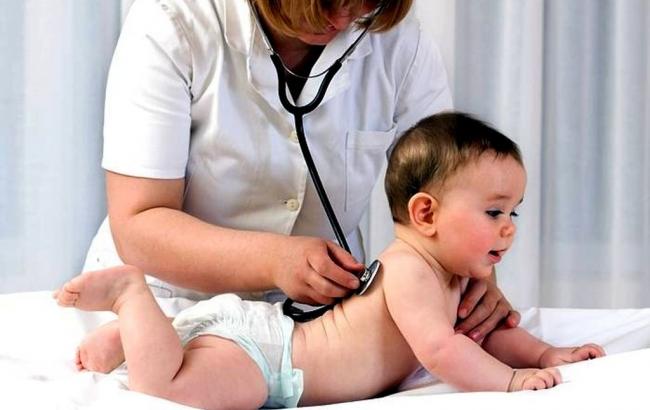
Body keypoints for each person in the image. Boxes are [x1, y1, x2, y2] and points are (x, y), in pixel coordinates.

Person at [79, 0, 519, 372]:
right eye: (328, 0)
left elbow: (453, 190)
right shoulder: (173, 21)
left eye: (365, 2)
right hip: (170, 298)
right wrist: (274, 260)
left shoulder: (399, 42)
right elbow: (139, 222)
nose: (345, 18)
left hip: (323, 312)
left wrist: (474, 274)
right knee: (193, 375)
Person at [56, 112, 605, 408]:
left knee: (183, 368)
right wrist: (509, 385)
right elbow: (444, 350)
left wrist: (544, 354)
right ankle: (132, 298)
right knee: (168, 391)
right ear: (426, 212)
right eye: (493, 211)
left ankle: (137, 339)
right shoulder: (410, 270)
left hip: (268, 340)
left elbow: (484, 336)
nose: (509, 227)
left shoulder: (450, 277)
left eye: (514, 212)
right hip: (269, 359)